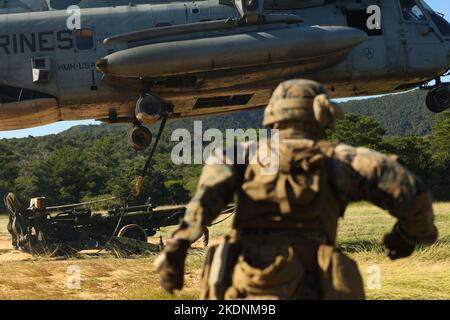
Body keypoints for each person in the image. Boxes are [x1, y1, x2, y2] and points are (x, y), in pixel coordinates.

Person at [155, 79, 438, 300]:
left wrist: (177, 249)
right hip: (316, 281)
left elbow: (201, 207)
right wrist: (405, 237)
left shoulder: (236, 156)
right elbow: (413, 194)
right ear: (322, 113)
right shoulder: (343, 161)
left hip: (245, 281)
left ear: (273, 114)